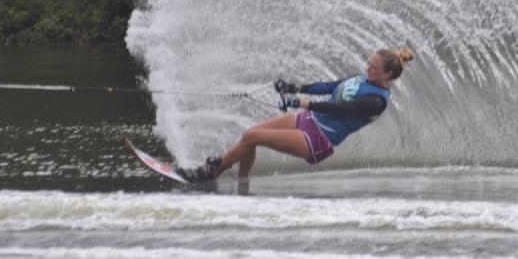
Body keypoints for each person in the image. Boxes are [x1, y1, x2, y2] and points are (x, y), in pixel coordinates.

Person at [178, 48, 415, 182]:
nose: (367, 68)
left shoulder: (376, 101)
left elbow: (340, 109)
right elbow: (330, 87)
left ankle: (211, 172)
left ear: (387, 75)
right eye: (368, 63)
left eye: (373, 67)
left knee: (252, 137)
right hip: (309, 120)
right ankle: (241, 185)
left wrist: (306, 104)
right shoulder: (364, 78)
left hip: (319, 139)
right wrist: (294, 88)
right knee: (250, 135)